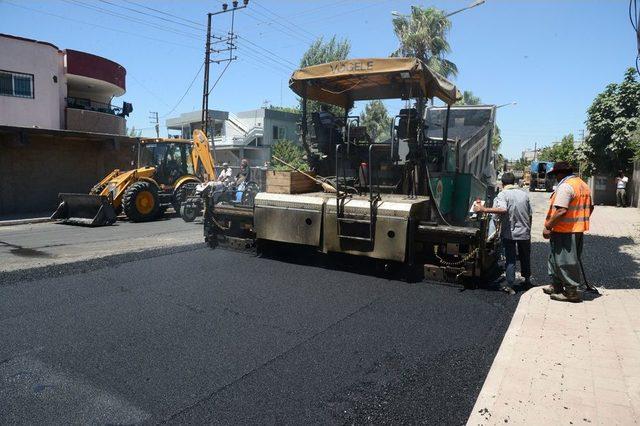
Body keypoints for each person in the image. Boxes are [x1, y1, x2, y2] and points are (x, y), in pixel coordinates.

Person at [542, 162, 594, 303]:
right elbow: (591, 207)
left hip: (565, 230)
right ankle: (556, 285)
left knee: (566, 261)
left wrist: (548, 226)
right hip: (576, 229)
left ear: (560, 174)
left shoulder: (566, 186)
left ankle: (571, 292)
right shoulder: (582, 184)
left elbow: (561, 210)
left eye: (555, 175)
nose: (555, 178)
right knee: (555, 258)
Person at [474, 172, 532, 295]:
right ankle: (527, 280)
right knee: (525, 257)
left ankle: (510, 286)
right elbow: (530, 214)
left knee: (510, 259)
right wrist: (528, 229)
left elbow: (501, 210)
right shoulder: (524, 194)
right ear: (514, 182)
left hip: (510, 233)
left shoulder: (503, 194)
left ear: (503, 183)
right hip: (525, 232)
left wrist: (483, 209)